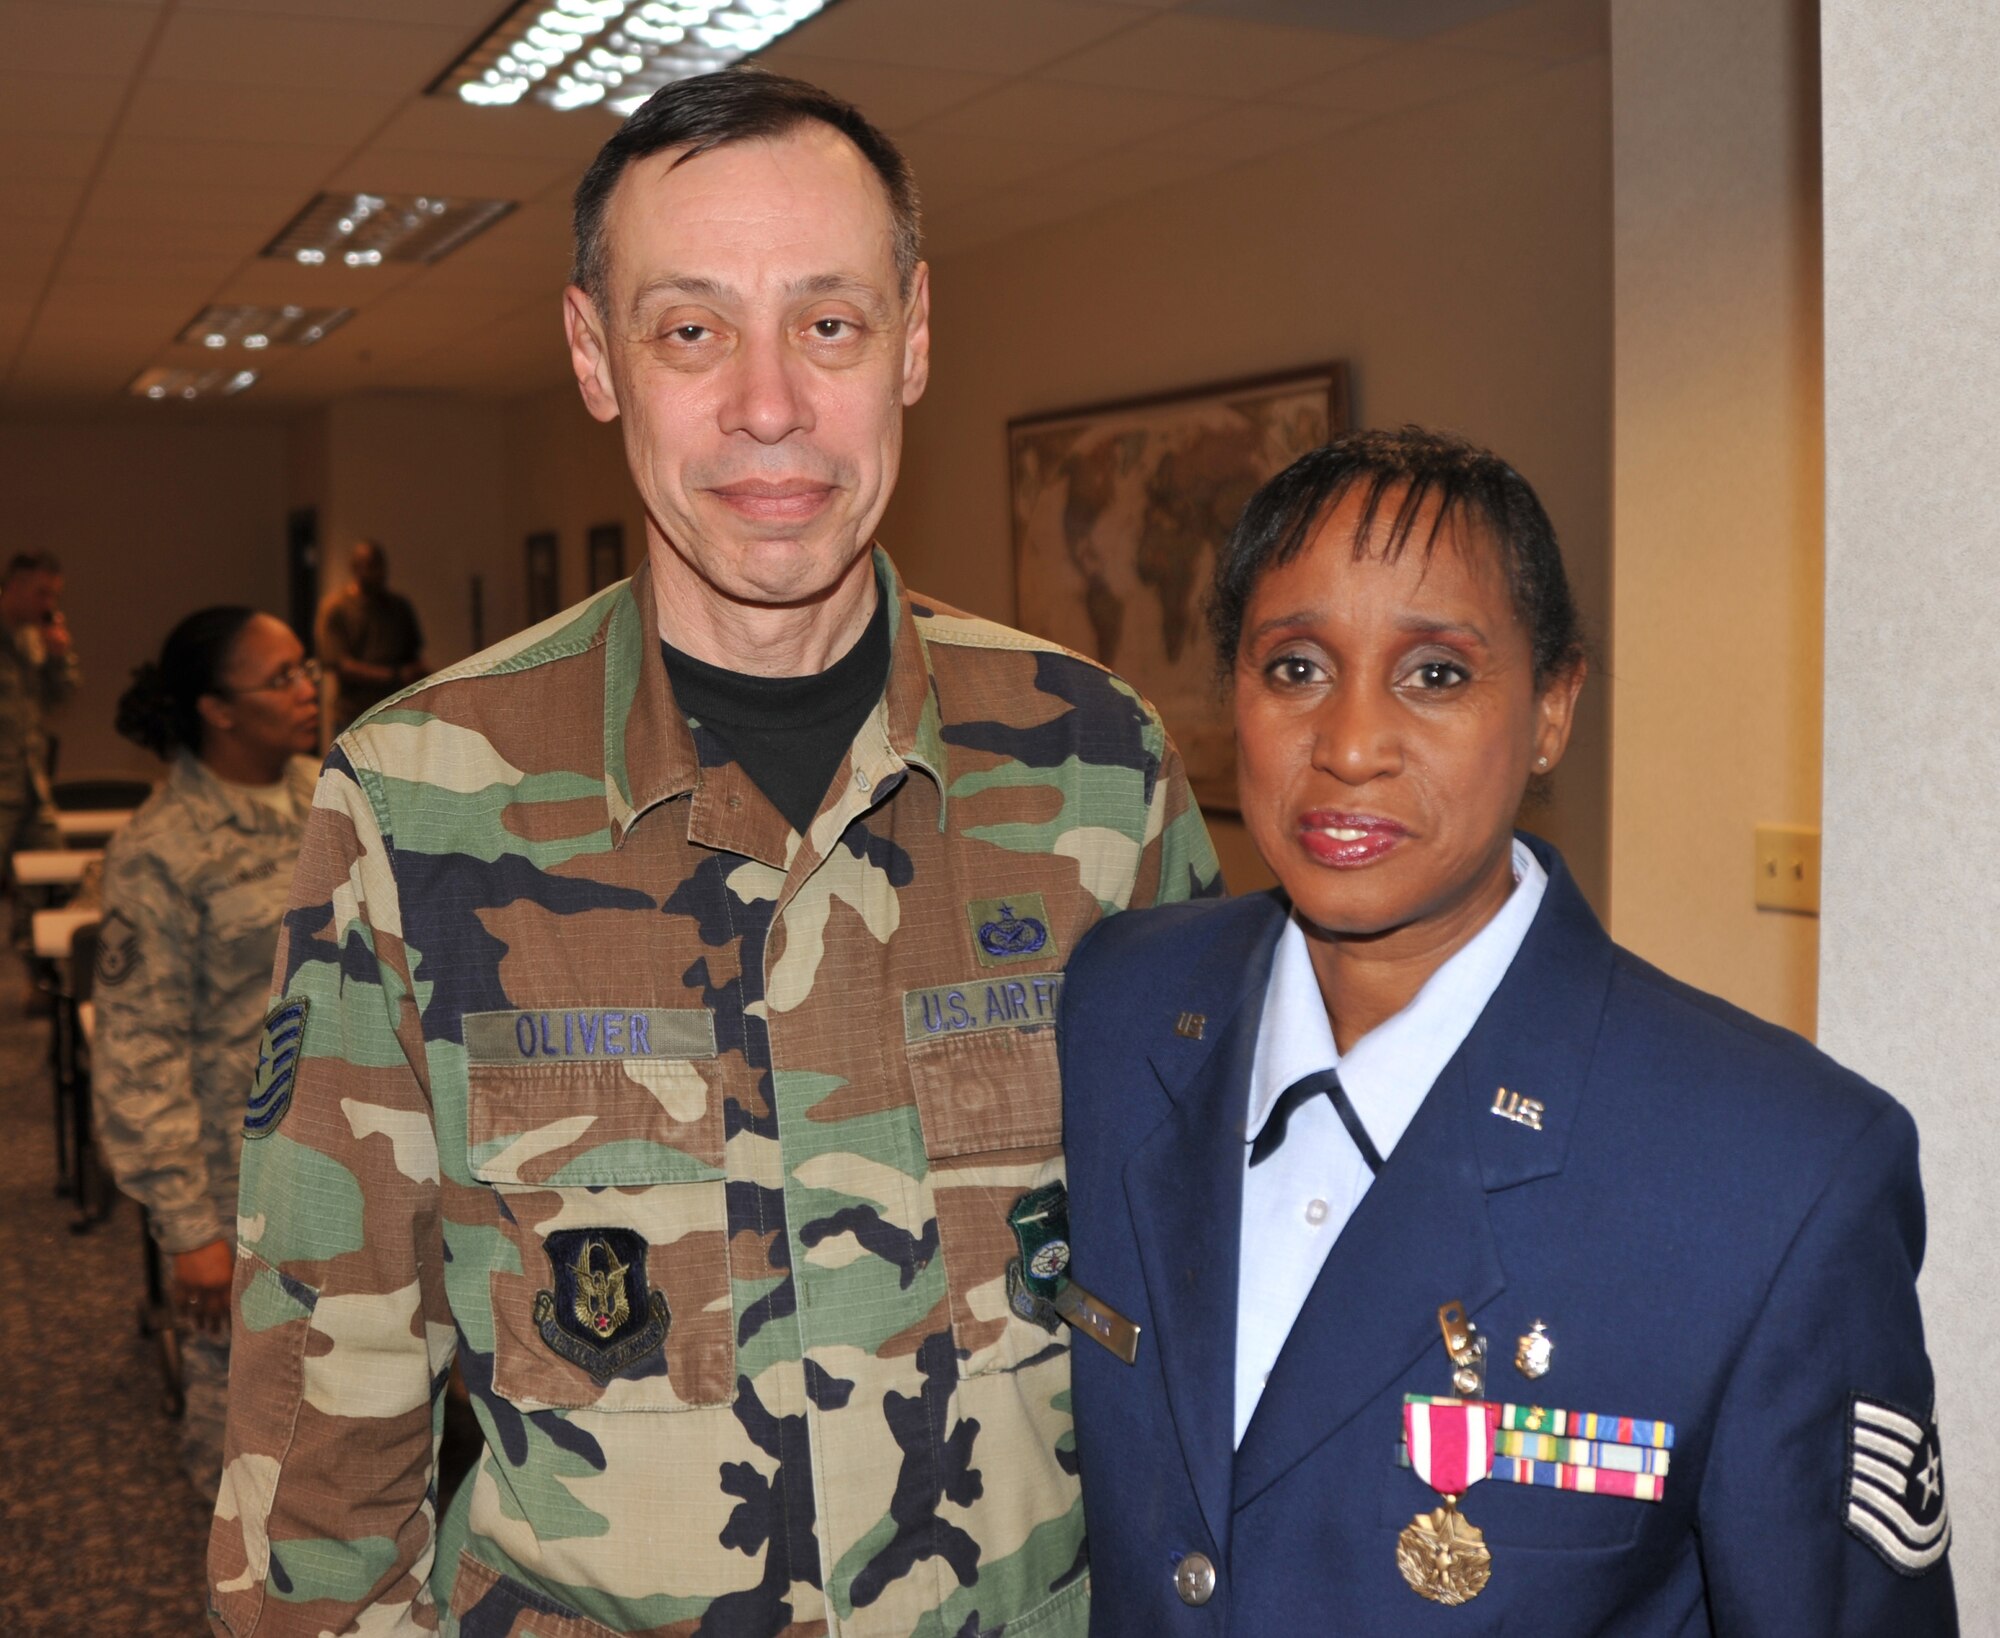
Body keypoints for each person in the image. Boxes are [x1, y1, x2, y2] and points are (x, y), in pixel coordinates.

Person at [210, 69, 1220, 1638]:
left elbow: (1210, 1301)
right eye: (691, 329)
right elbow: (319, 1416)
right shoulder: (414, 803)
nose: (770, 403)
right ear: (595, 355)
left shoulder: (1099, 767)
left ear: (916, 336)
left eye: (830, 323)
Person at [1059, 428, 1957, 1634]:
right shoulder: (1121, 1009)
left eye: (1434, 673)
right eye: (1294, 669)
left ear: (1549, 708)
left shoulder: (1779, 1171)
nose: (1351, 746)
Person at [92, 607, 319, 1502]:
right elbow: (138, 1048)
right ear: (219, 710)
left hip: (360, 1152)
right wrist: (189, 1228)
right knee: (249, 1429)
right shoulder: (160, 849)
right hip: (243, 1174)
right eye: (283, 678)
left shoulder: (334, 797)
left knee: (372, 1409)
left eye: (307, 669)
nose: (309, 690)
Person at [0, 551, 79, 958]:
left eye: (54, 595)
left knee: (51, 881)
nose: (49, 605)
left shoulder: (34, 640)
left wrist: (57, 657)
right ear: (12, 587)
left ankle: (39, 977)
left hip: (31, 784)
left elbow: (60, 699)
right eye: (41, 593)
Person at [315, 538, 427, 734]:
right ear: (355, 568)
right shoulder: (337, 608)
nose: (377, 573)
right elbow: (340, 664)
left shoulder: (399, 607)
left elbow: (414, 655)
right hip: (354, 714)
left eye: (380, 566)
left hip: (396, 710)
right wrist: (394, 676)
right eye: (370, 566)